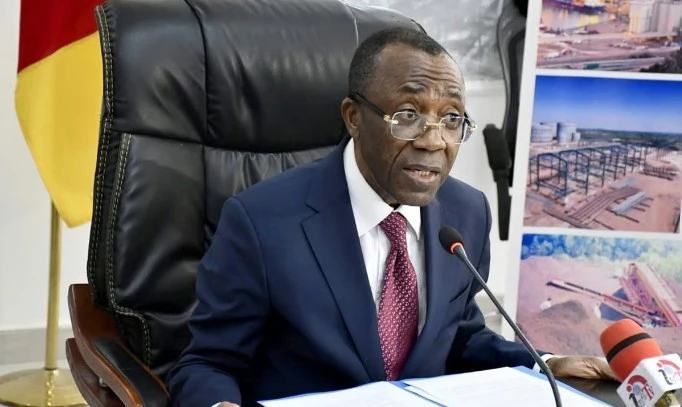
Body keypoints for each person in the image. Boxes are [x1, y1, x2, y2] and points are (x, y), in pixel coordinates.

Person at [165, 27, 617, 407]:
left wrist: (544, 365)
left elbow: (459, 337)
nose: (433, 141)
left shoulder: (467, 213)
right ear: (353, 118)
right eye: (408, 115)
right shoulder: (261, 221)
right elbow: (208, 363)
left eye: (452, 119)